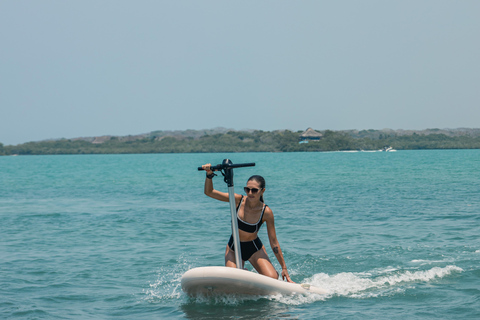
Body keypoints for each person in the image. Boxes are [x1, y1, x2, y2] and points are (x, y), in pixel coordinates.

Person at [202, 163, 294, 283]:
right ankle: (243, 273)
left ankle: (249, 274)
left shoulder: (266, 212)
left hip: (254, 248)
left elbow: (274, 242)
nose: (250, 193)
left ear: (262, 191)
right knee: (233, 279)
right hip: (234, 248)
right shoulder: (237, 200)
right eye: (247, 189)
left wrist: (284, 268)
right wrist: (209, 175)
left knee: (272, 278)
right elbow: (210, 192)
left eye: (254, 190)